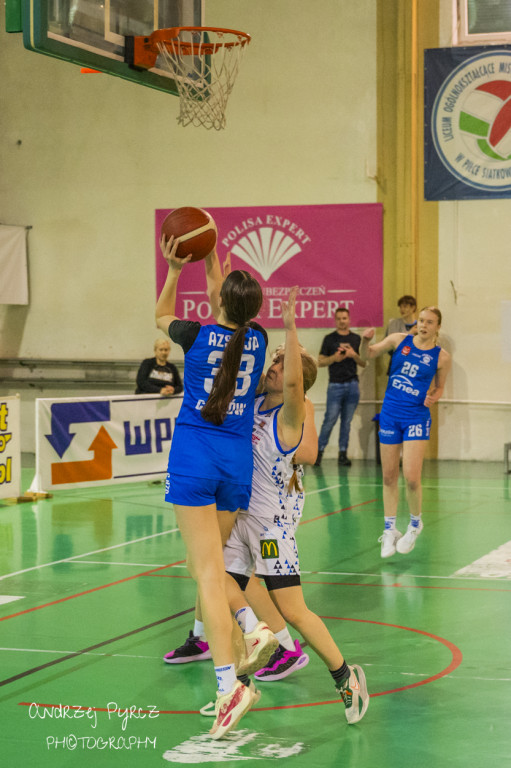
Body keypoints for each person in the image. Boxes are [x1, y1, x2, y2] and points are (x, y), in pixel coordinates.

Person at [216, 287, 369, 725]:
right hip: (240, 517)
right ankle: (242, 674)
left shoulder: (291, 413)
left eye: (280, 361)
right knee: (222, 583)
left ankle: (346, 677)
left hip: (269, 529)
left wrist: (289, 326)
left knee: (294, 609)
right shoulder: (253, 404)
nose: (273, 365)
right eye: (275, 357)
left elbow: (297, 382)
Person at [155, 236, 273, 740]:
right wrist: (213, 268)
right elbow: (226, 308)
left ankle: (230, 686)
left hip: (196, 458)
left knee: (206, 573)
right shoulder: (260, 338)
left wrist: (175, 269)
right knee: (206, 563)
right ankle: (253, 624)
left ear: (220, 302)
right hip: (235, 463)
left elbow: (160, 313)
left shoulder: (194, 336)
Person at [360, 307, 452, 558]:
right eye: (421, 320)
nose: (423, 325)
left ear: (437, 327)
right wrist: (364, 340)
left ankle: (414, 524)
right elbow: (367, 355)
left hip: (416, 417)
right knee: (389, 476)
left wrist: (435, 395)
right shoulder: (399, 340)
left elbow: (440, 387)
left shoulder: (441, 356)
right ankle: (390, 529)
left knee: (411, 477)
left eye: (429, 322)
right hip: (390, 414)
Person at [314, 307, 366, 467]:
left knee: (347, 422)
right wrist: (334, 358)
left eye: (345, 318)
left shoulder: (357, 339)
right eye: (339, 318)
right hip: (335, 385)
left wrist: (353, 355)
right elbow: (319, 361)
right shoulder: (329, 339)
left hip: (352, 385)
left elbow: (364, 362)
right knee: (329, 419)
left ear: (349, 319)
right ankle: (318, 453)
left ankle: (343, 454)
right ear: (335, 320)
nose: (342, 321)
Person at [384, 295, 417, 375]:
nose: (402, 310)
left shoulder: (420, 326)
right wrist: (410, 334)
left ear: (413, 308)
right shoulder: (393, 324)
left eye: (405, 306)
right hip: (397, 364)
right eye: (400, 307)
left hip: (414, 365)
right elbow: (391, 345)